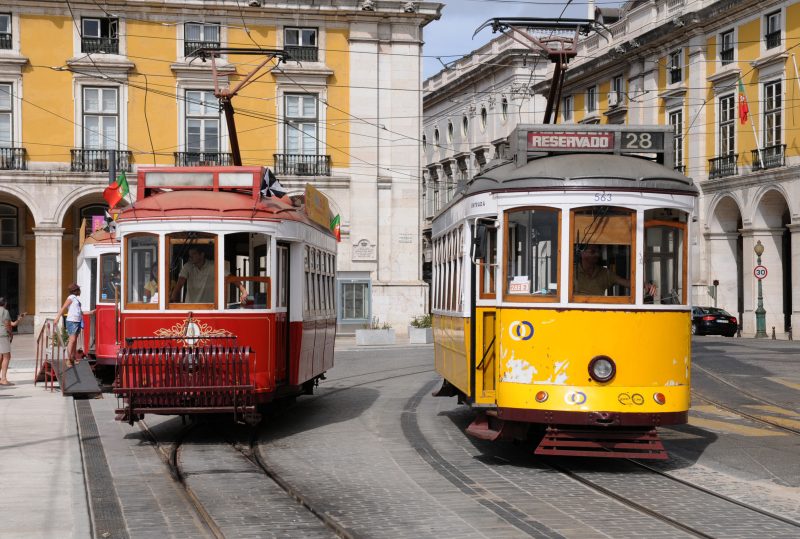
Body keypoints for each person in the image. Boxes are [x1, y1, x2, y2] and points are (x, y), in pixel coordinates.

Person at [55, 283, 85, 366]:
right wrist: (57, 318)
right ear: (76, 291)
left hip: (77, 321)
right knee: (72, 340)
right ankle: (68, 359)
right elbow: (63, 308)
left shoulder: (76, 299)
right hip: (72, 321)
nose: (80, 291)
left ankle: (73, 358)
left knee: (74, 341)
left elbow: (80, 312)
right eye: (79, 289)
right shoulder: (71, 298)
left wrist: (92, 312)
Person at [0, 298, 25, 386]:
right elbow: (9, 324)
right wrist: (10, 334)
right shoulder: (5, 312)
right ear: (5, 303)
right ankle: (3, 379)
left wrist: (19, 318)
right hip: (3, 335)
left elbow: (12, 323)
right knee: (7, 356)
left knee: (1, 356)